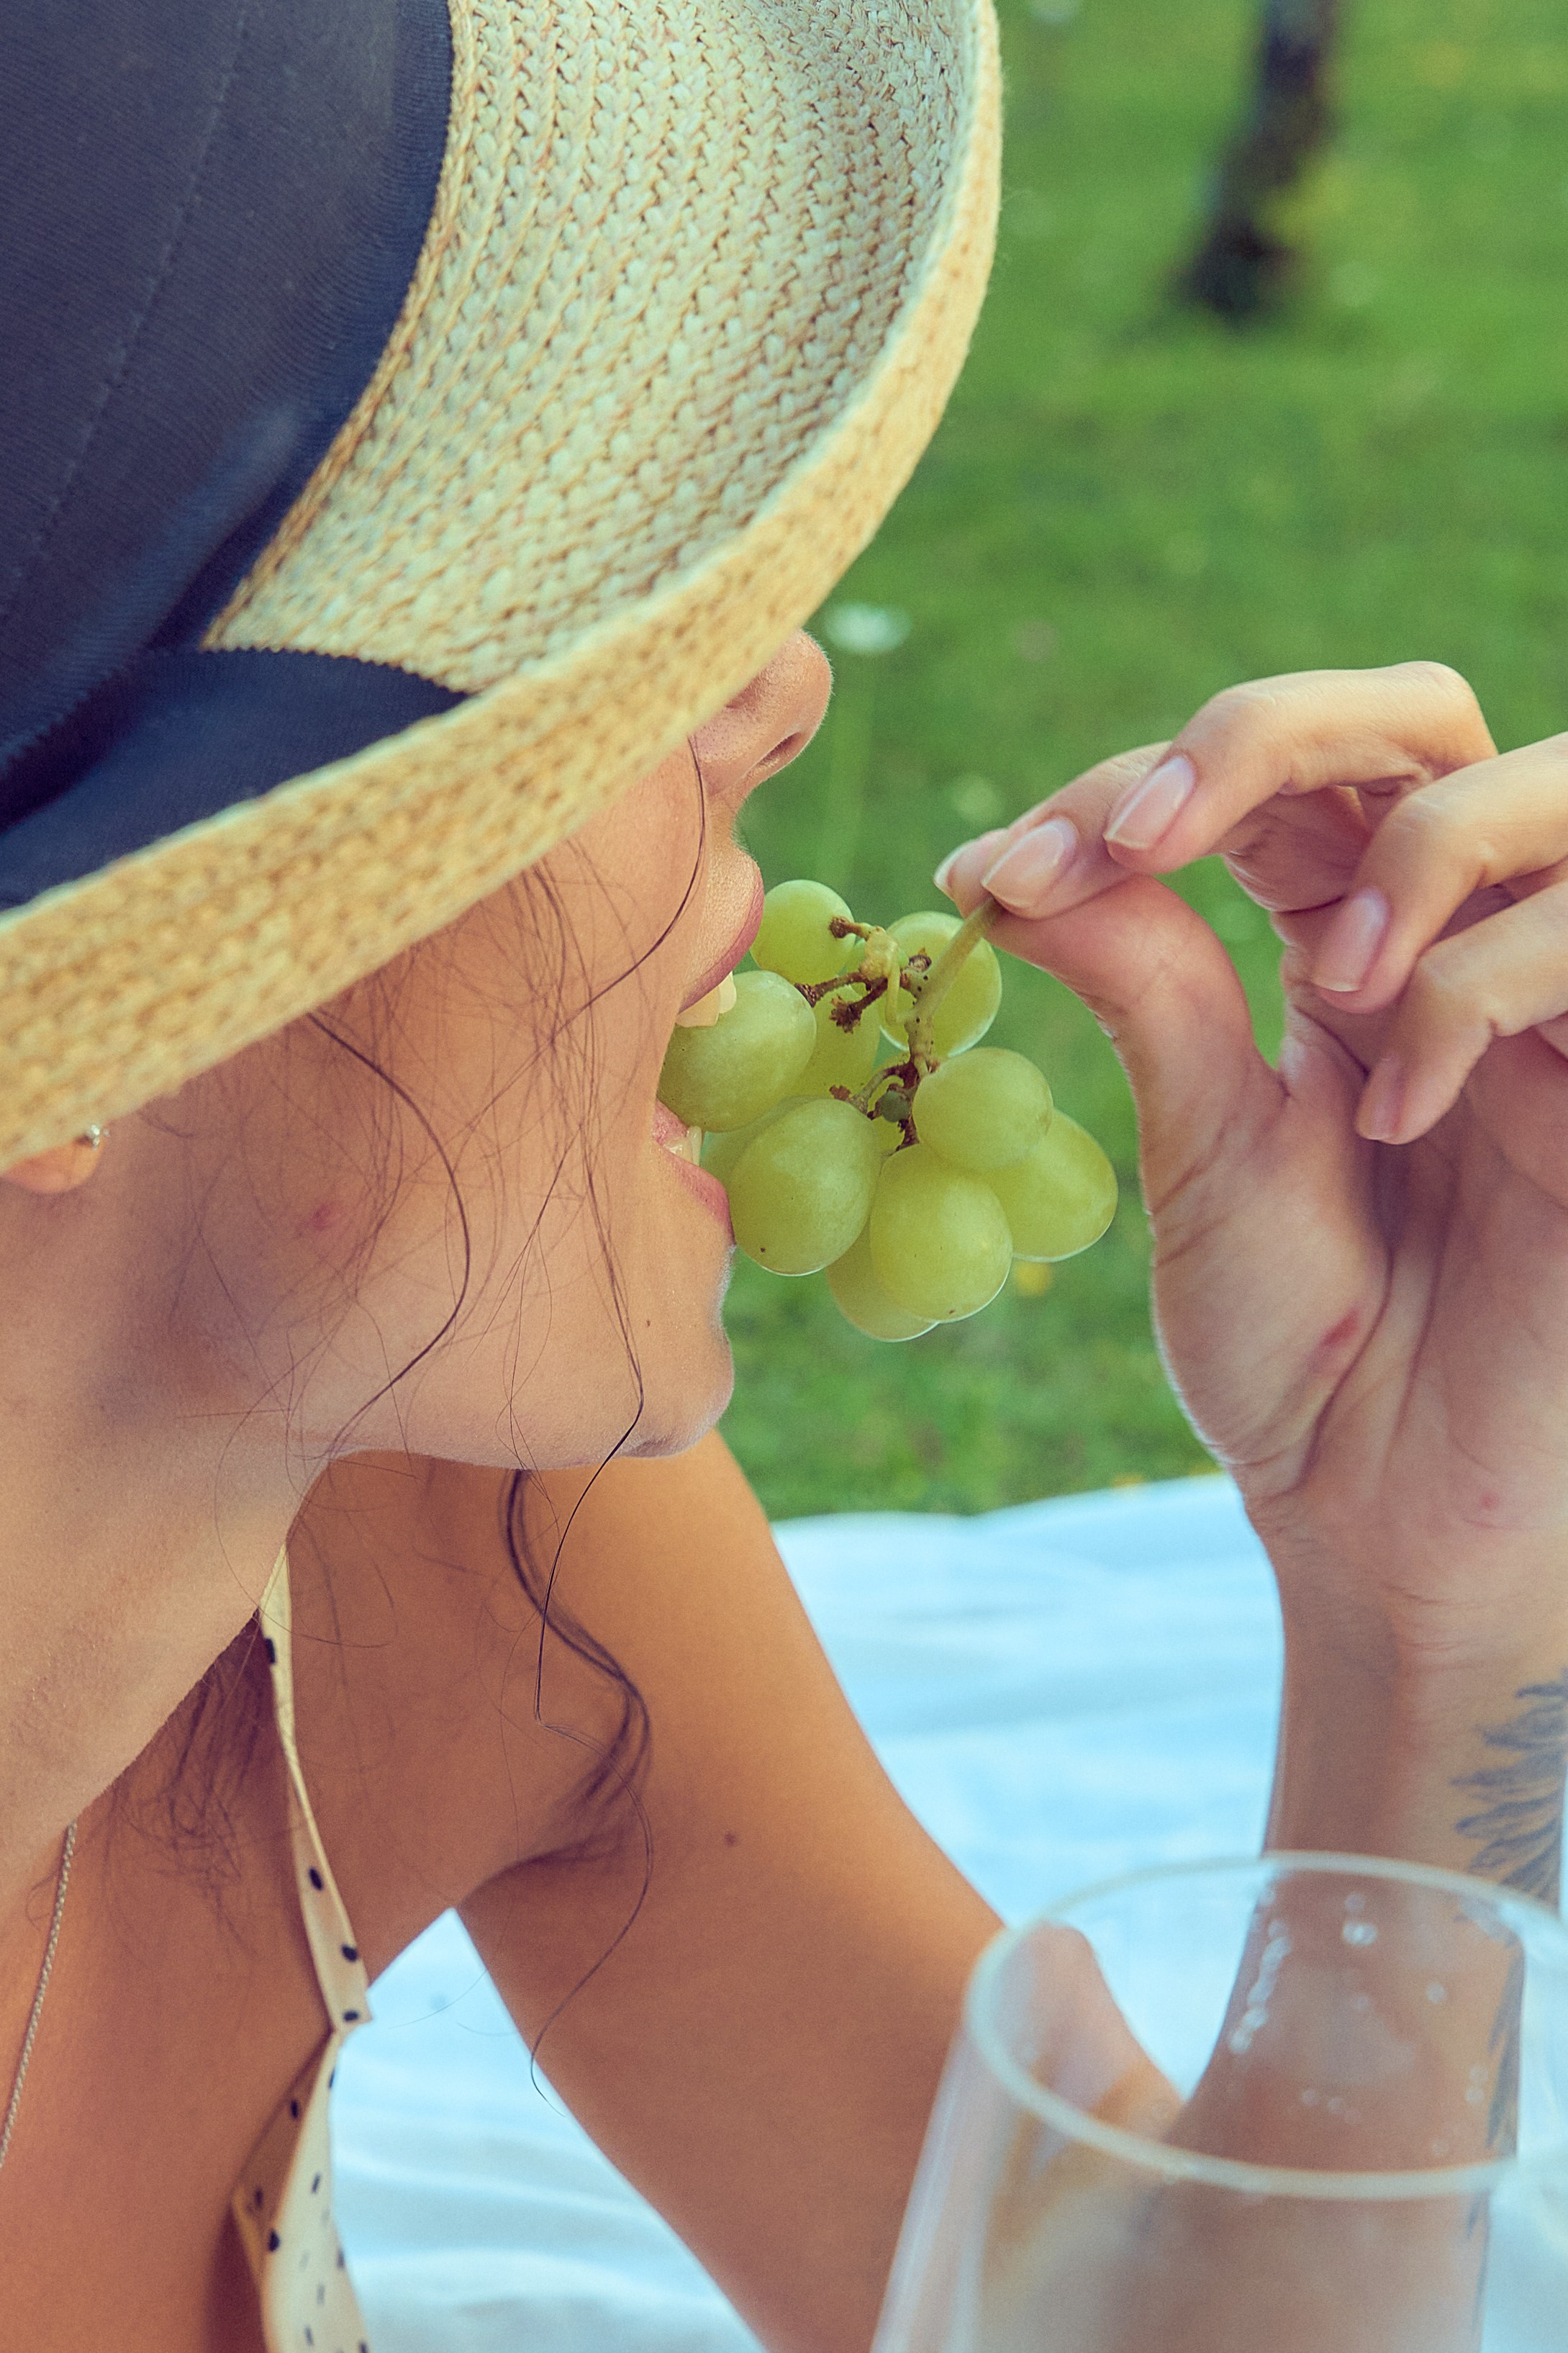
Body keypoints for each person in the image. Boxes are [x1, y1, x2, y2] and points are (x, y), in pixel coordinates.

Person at [2, 6, 1566, 2352]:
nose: (781, 693)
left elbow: (1113, 2325)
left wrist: (1428, 1595)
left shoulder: (443, 1524)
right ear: (71, 1044)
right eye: (525, 652)